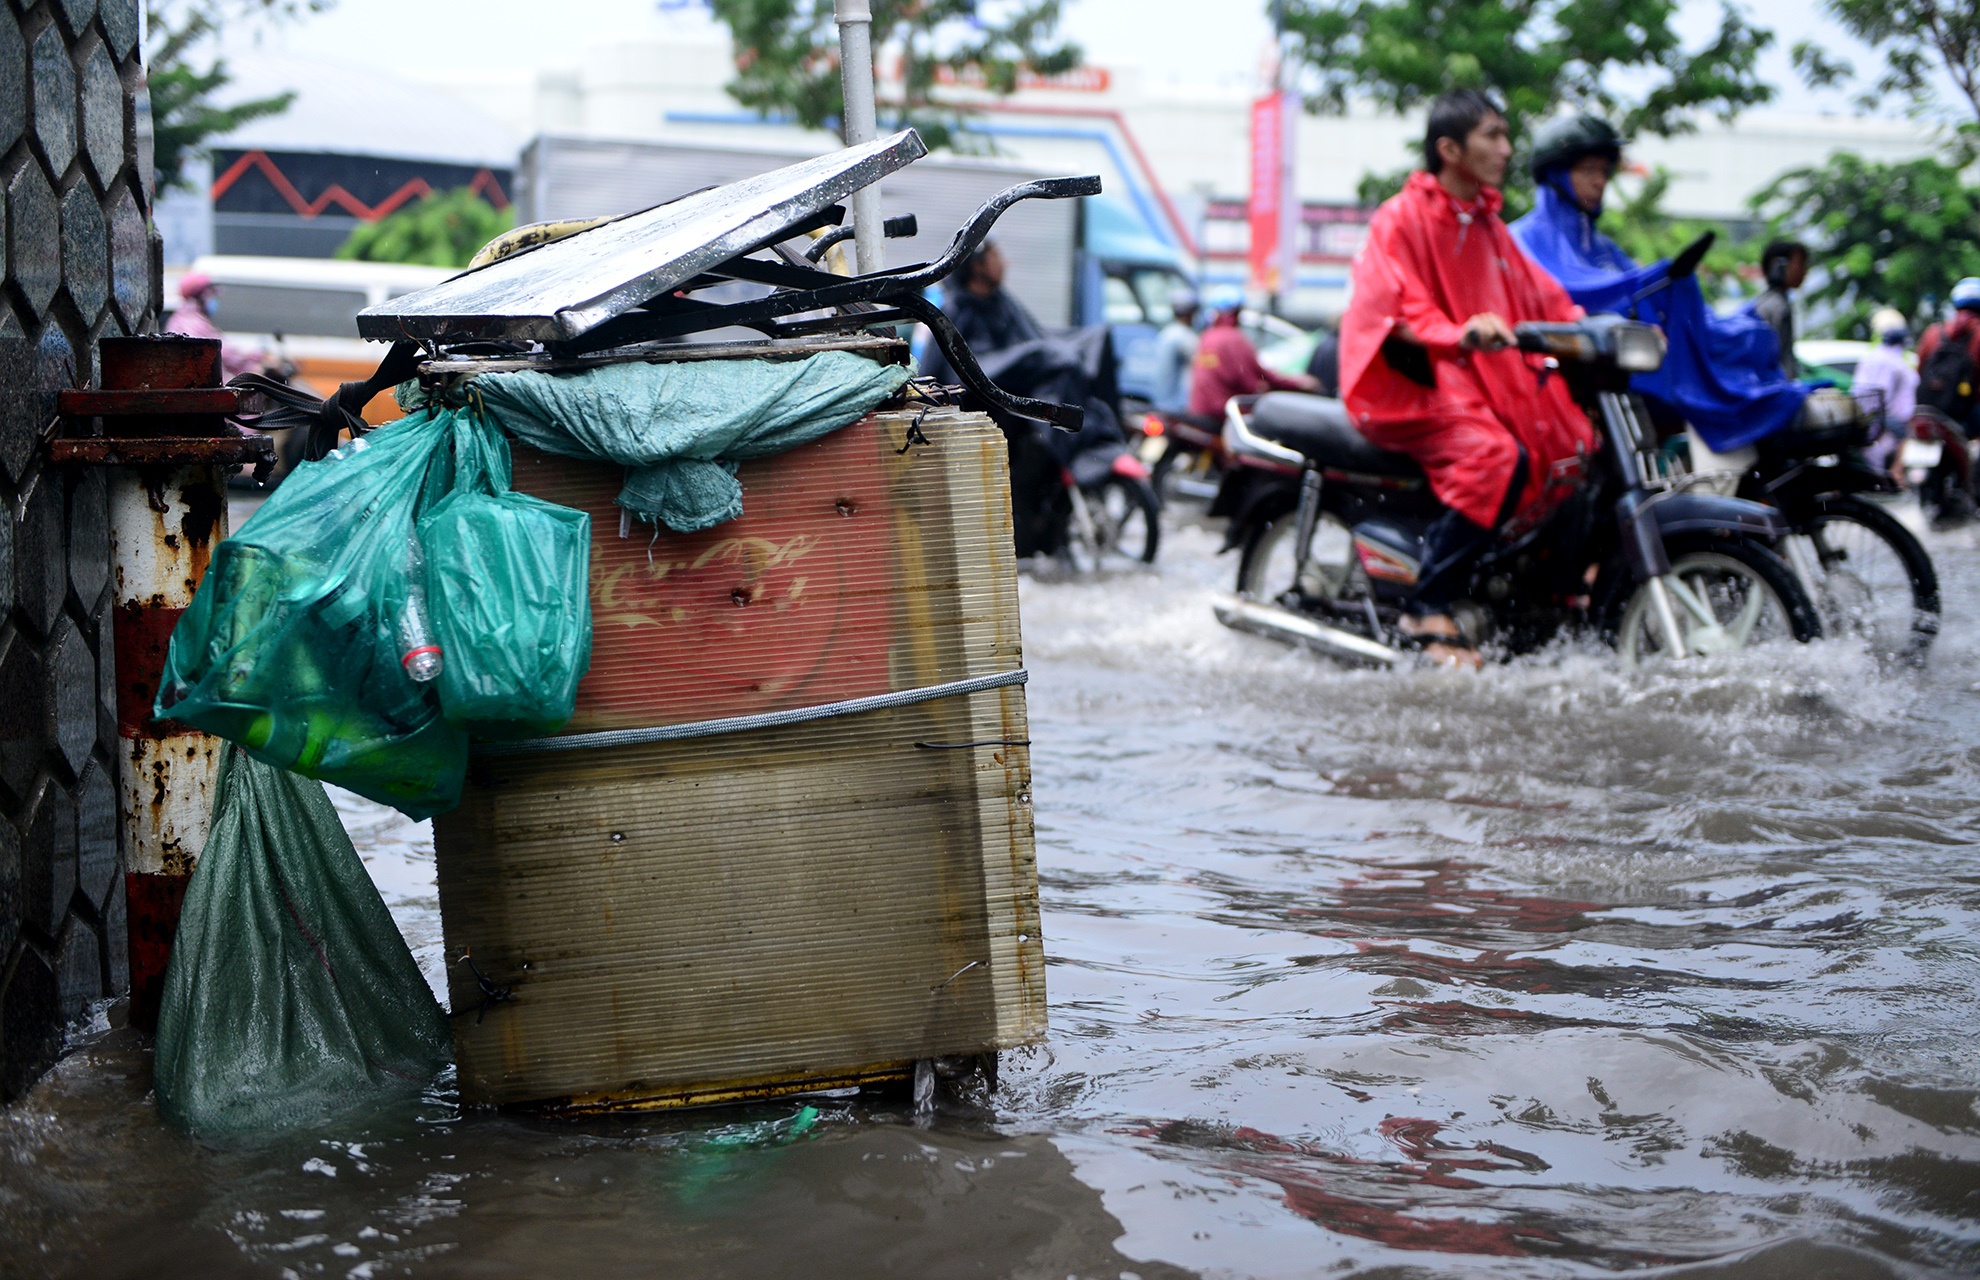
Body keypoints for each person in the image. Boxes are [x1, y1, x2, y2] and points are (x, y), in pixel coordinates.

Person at [1337, 89, 1595, 667]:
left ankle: (1529, 588)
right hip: (1409, 384)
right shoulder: (1400, 216)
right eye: (1493, 135)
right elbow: (1396, 304)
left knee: (1570, 439)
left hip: (1469, 382)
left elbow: (1540, 291)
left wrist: (1588, 327)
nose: (1506, 148)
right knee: (1496, 455)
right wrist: (1460, 333)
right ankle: (1426, 603)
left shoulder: (1487, 221)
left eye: (1506, 135)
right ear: (1449, 148)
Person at [1510, 115, 1807, 455]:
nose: (1599, 182)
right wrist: (1653, 282)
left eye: (1605, 172)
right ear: (1557, 172)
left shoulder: (1602, 246)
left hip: (1621, 382)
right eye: (1588, 170)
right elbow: (1588, 295)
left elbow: (1630, 287)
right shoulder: (1521, 239)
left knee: (1747, 333)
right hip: (1563, 389)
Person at [1186, 285, 1317, 420]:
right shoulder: (1233, 339)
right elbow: (1256, 377)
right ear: (1236, 312)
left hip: (1200, 410)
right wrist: (1297, 383)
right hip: (1224, 413)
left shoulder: (1207, 337)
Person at [164, 273, 265, 380]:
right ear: (202, 295)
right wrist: (256, 357)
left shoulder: (182, 318)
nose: (213, 299)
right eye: (211, 294)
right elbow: (226, 353)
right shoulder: (192, 322)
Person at [1852, 308, 1918, 470]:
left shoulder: (1871, 357)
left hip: (1867, 415)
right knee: (1907, 435)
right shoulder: (1897, 363)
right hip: (1881, 417)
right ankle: (1898, 472)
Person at [1751, 240, 1809, 380]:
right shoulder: (1777, 307)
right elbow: (1779, 357)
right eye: (1800, 264)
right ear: (1778, 265)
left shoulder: (1764, 301)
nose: (1805, 271)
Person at [1150, 286, 1200, 415]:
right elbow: (1202, 361)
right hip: (1178, 405)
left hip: (1161, 402)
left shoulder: (1165, 333)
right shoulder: (1184, 336)